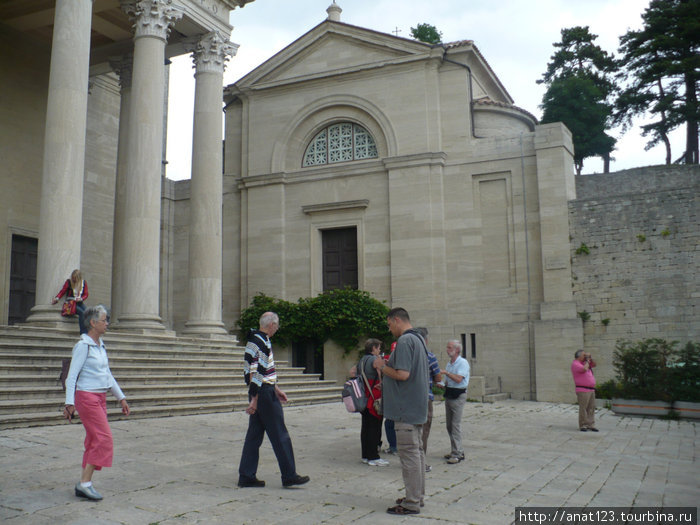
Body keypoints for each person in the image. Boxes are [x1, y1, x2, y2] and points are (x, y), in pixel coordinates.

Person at [63, 305, 130, 501]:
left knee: (94, 439)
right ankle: (85, 483)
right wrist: (69, 403)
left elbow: (107, 374)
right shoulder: (83, 346)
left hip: (100, 397)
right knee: (103, 438)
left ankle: (83, 483)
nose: (107, 323)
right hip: (87, 397)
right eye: (104, 320)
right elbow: (72, 376)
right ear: (93, 323)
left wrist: (121, 397)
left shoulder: (100, 345)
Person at [238, 311, 310, 488]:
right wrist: (254, 400)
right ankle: (289, 475)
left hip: (264, 390)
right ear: (271, 325)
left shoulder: (257, 340)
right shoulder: (260, 342)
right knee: (280, 434)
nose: (277, 329)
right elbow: (254, 373)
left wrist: (276, 388)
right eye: (276, 325)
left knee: (254, 435)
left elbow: (262, 371)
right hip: (263, 394)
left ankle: (246, 475)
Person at [373, 307, 428, 515]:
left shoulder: (405, 341)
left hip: (406, 409)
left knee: (409, 456)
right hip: (416, 407)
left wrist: (381, 365)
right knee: (418, 453)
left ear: (397, 320)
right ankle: (417, 496)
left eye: (389, 324)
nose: (389, 329)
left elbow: (403, 374)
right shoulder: (420, 339)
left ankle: (412, 502)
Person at [351, 339, 388, 466]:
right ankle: (373, 456)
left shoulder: (362, 360)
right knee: (374, 427)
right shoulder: (374, 360)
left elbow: (352, 372)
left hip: (364, 397)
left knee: (366, 427)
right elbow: (382, 373)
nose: (379, 350)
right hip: (374, 397)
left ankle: (366, 455)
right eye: (378, 348)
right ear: (373, 348)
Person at [415, 327, 442, 473]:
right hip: (425, 397)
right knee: (423, 431)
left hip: (408, 398)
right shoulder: (429, 356)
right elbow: (438, 377)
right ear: (425, 340)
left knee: (410, 431)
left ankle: (410, 460)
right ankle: (420, 462)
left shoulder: (407, 355)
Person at [440, 340, 469, 464]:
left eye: (450, 347)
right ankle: (454, 450)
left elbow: (458, 379)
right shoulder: (449, 363)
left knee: (455, 425)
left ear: (457, 350)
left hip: (458, 394)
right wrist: (441, 384)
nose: (447, 349)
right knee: (449, 425)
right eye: (447, 347)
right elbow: (448, 381)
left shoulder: (462, 363)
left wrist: (446, 373)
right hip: (449, 393)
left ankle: (458, 453)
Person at [51, 269, 89, 334]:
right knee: (82, 313)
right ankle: (83, 333)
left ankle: (89, 331)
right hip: (71, 303)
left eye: (75, 278)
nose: (74, 280)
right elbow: (63, 291)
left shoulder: (83, 283)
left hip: (79, 302)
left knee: (88, 313)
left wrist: (81, 299)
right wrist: (57, 298)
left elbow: (86, 294)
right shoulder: (69, 282)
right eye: (73, 278)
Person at [571, 349, 598, 432]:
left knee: (591, 408)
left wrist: (590, 358)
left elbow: (594, 364)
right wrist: (587, 361)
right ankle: (583, 425)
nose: (585, 357)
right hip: (582, 389)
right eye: (584, 355)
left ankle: (590, 424)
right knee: (583, 408)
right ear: (579, 356)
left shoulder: (585, 362)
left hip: (591, 390)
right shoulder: (575, 364)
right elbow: (585, 369)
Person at [383, 342, 398, 455]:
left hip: (397, 398)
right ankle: (394, 446)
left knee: (390, 423)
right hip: (392, 396)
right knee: (390, 423)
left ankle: (395, 447)